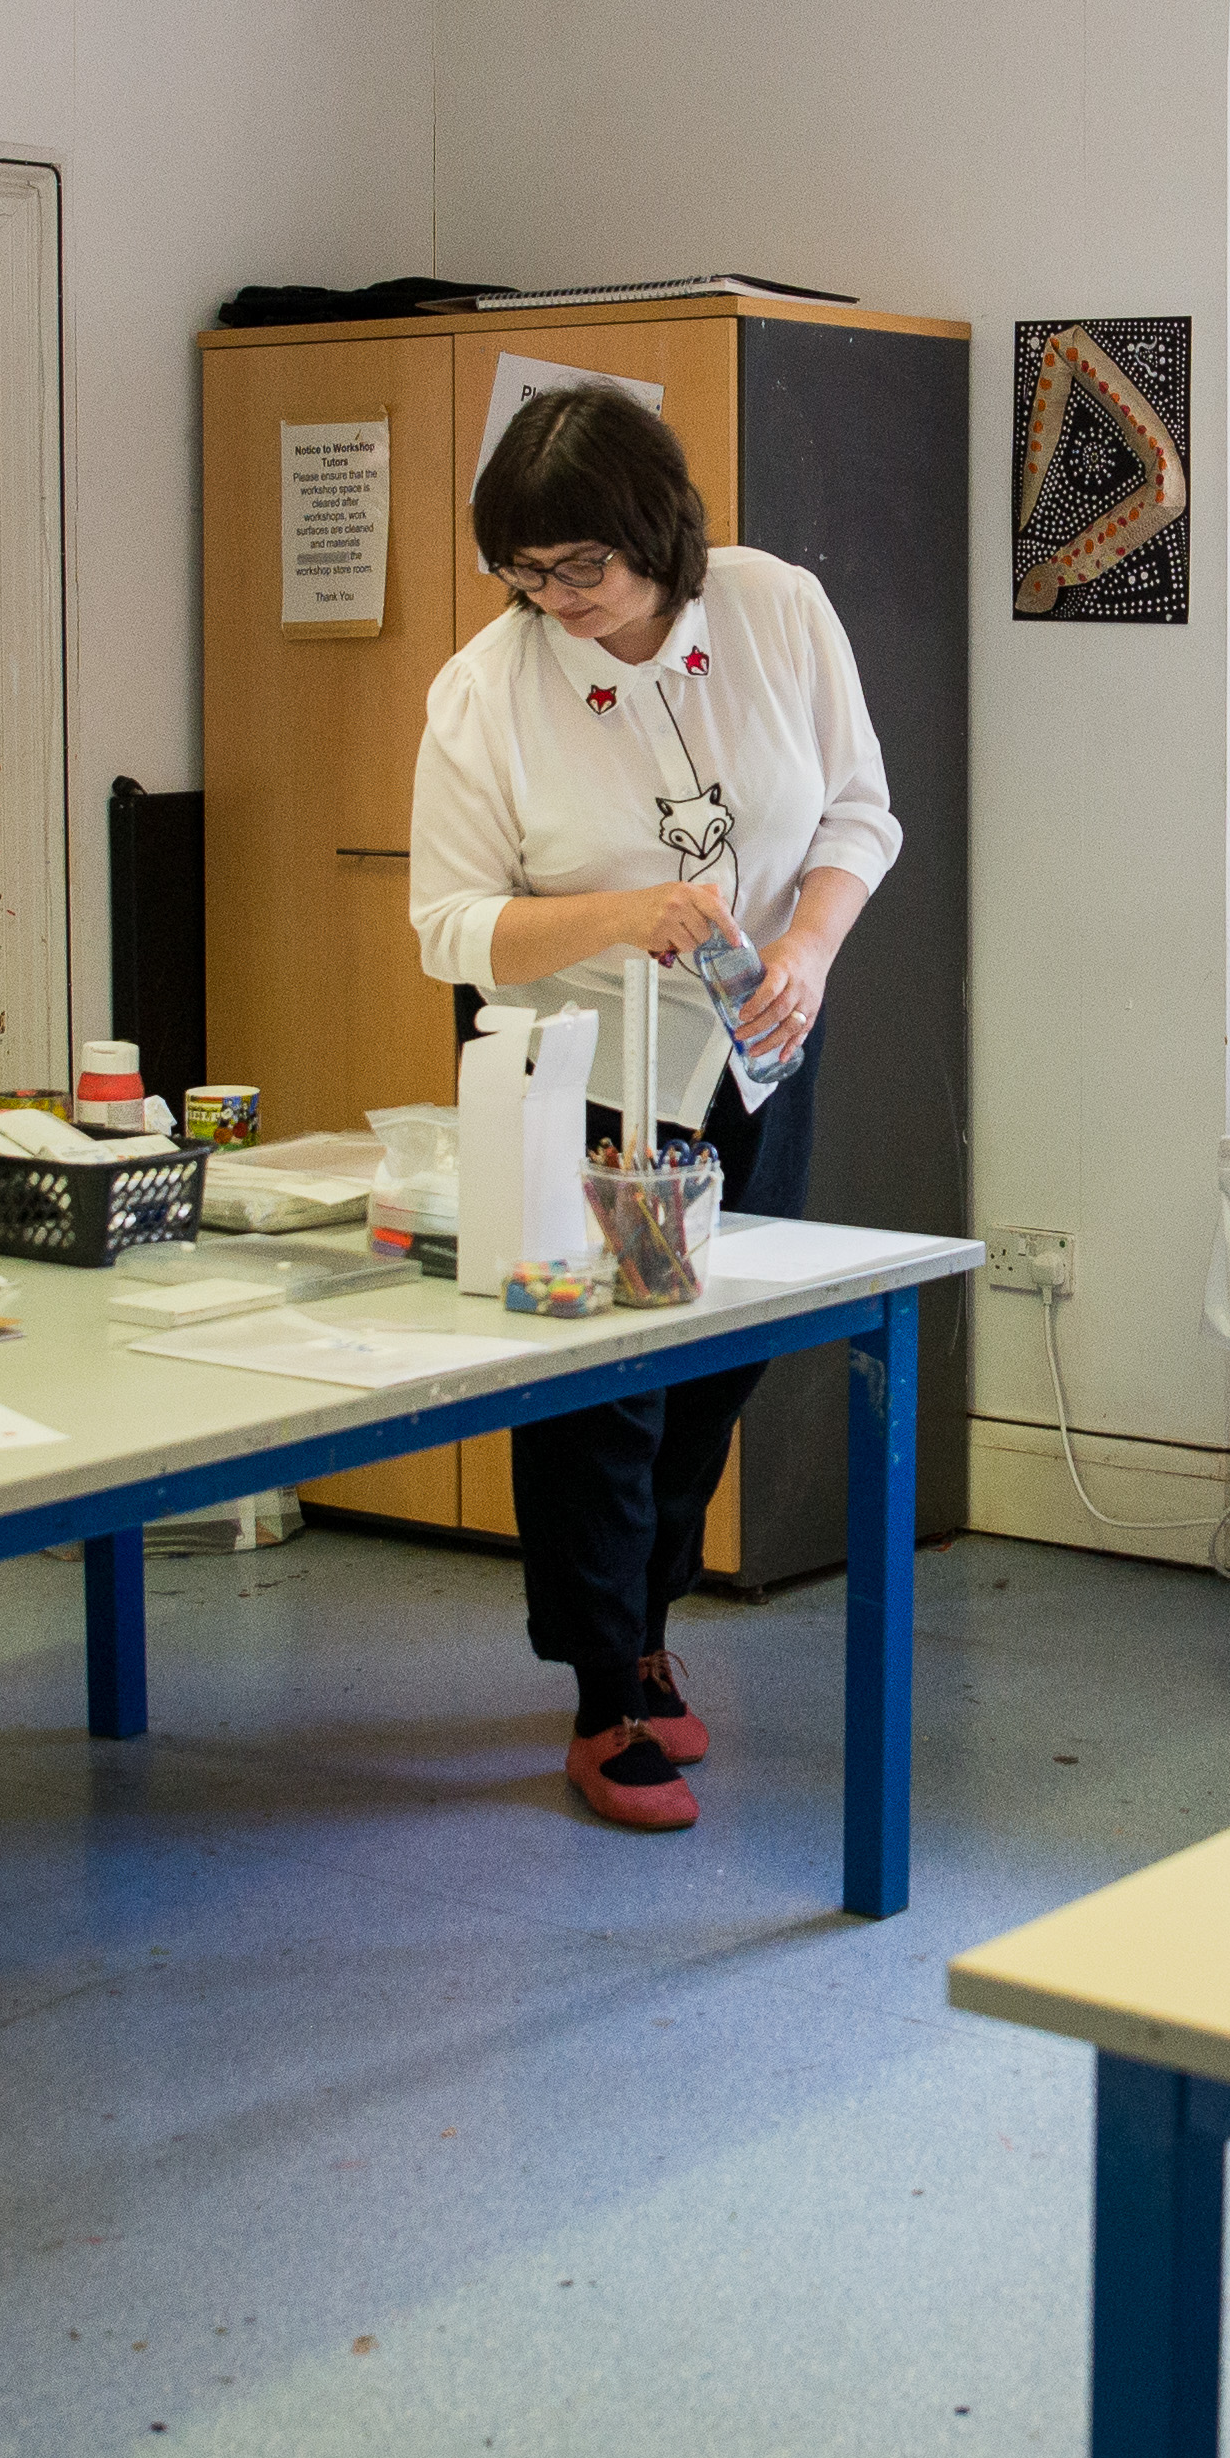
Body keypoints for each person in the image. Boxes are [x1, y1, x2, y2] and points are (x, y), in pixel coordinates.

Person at [409, 385, 899, 1829]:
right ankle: (600, 1691)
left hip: (753, 1048)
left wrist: (806, 947)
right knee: (604, 1390)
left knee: (718, 1363)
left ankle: (647, 1620)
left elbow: (860, 809)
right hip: (591, 1074)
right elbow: (448, 923)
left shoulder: (775, 610)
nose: (553, 601)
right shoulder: (487, 690)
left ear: (661, 537)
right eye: (523, 570)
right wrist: (628, 915)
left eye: (583, 569)